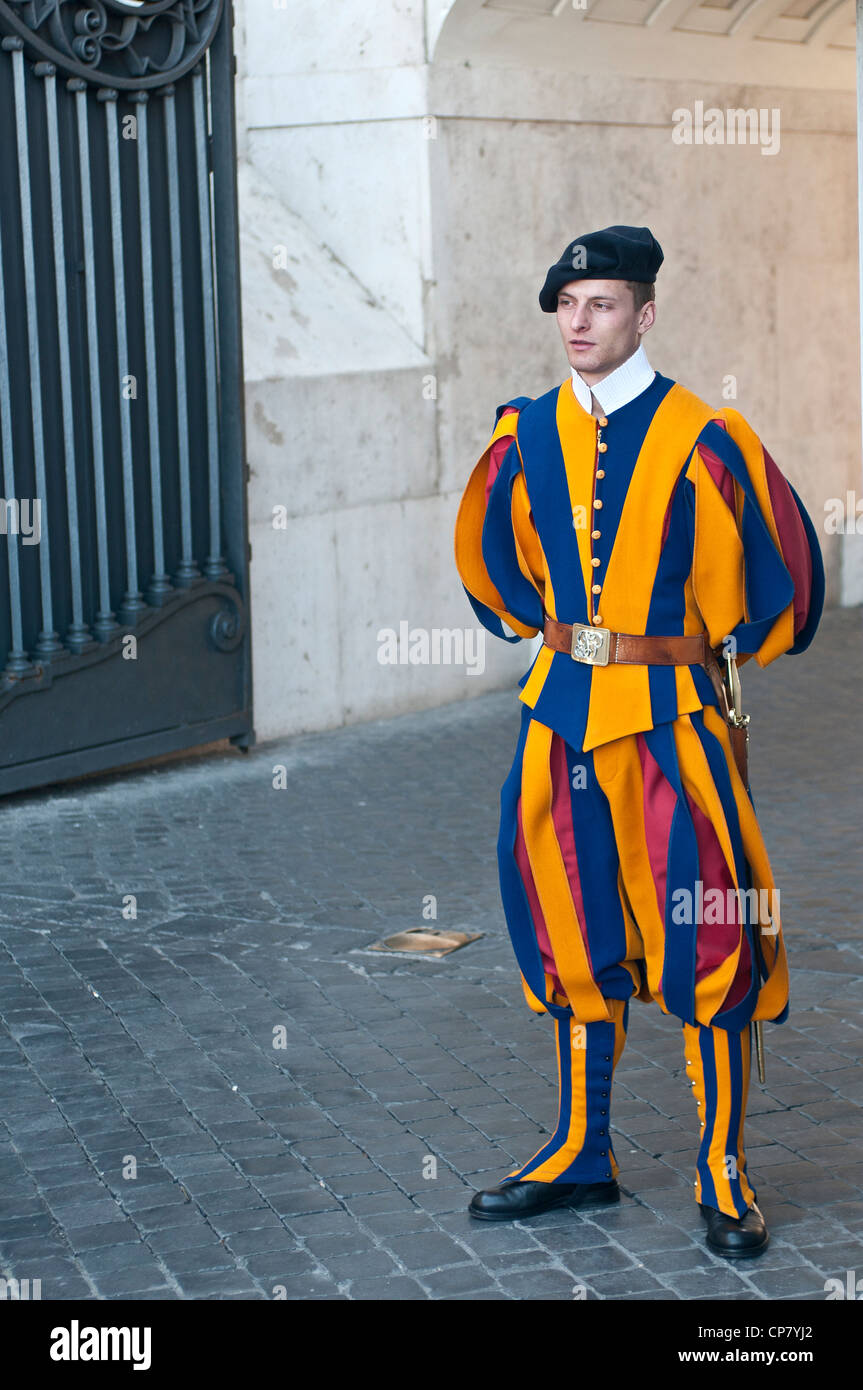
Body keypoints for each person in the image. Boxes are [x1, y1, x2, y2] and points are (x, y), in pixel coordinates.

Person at [453, 225, 824, 1258]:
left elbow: (782, 578)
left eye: (601, 304)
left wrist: (713, 642)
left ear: (643, 313)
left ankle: (720, 1168)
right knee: (565, 926)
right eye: (565, 307)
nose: (577, 323)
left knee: (708, 928)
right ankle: (580, 1151)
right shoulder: (521, 432)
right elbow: (489, 566)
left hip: (674, 720)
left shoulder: (709, 435)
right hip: (559, 711)